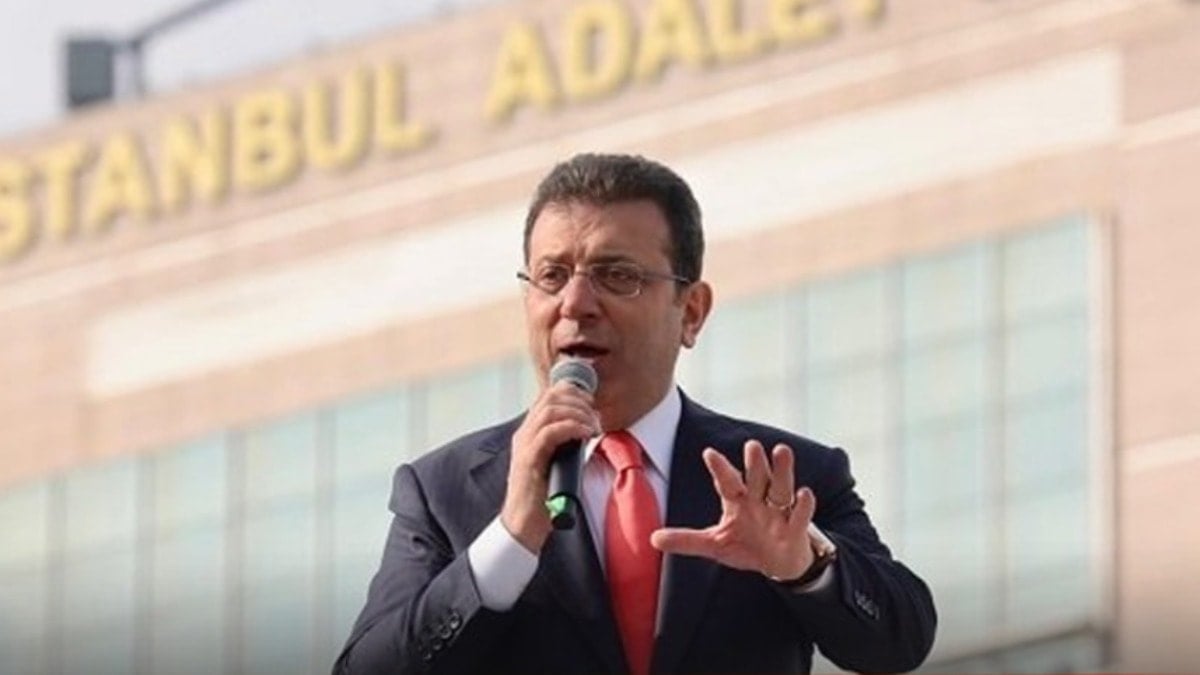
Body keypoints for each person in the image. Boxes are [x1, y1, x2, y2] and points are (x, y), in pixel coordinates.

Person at [334, 153, 936, 674]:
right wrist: (510, 540)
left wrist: (803, 566)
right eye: (552, 276)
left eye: (617, 276)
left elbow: (902, 640)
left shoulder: (781, 477)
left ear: (691, 312)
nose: (575, 303)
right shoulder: (444, 491)